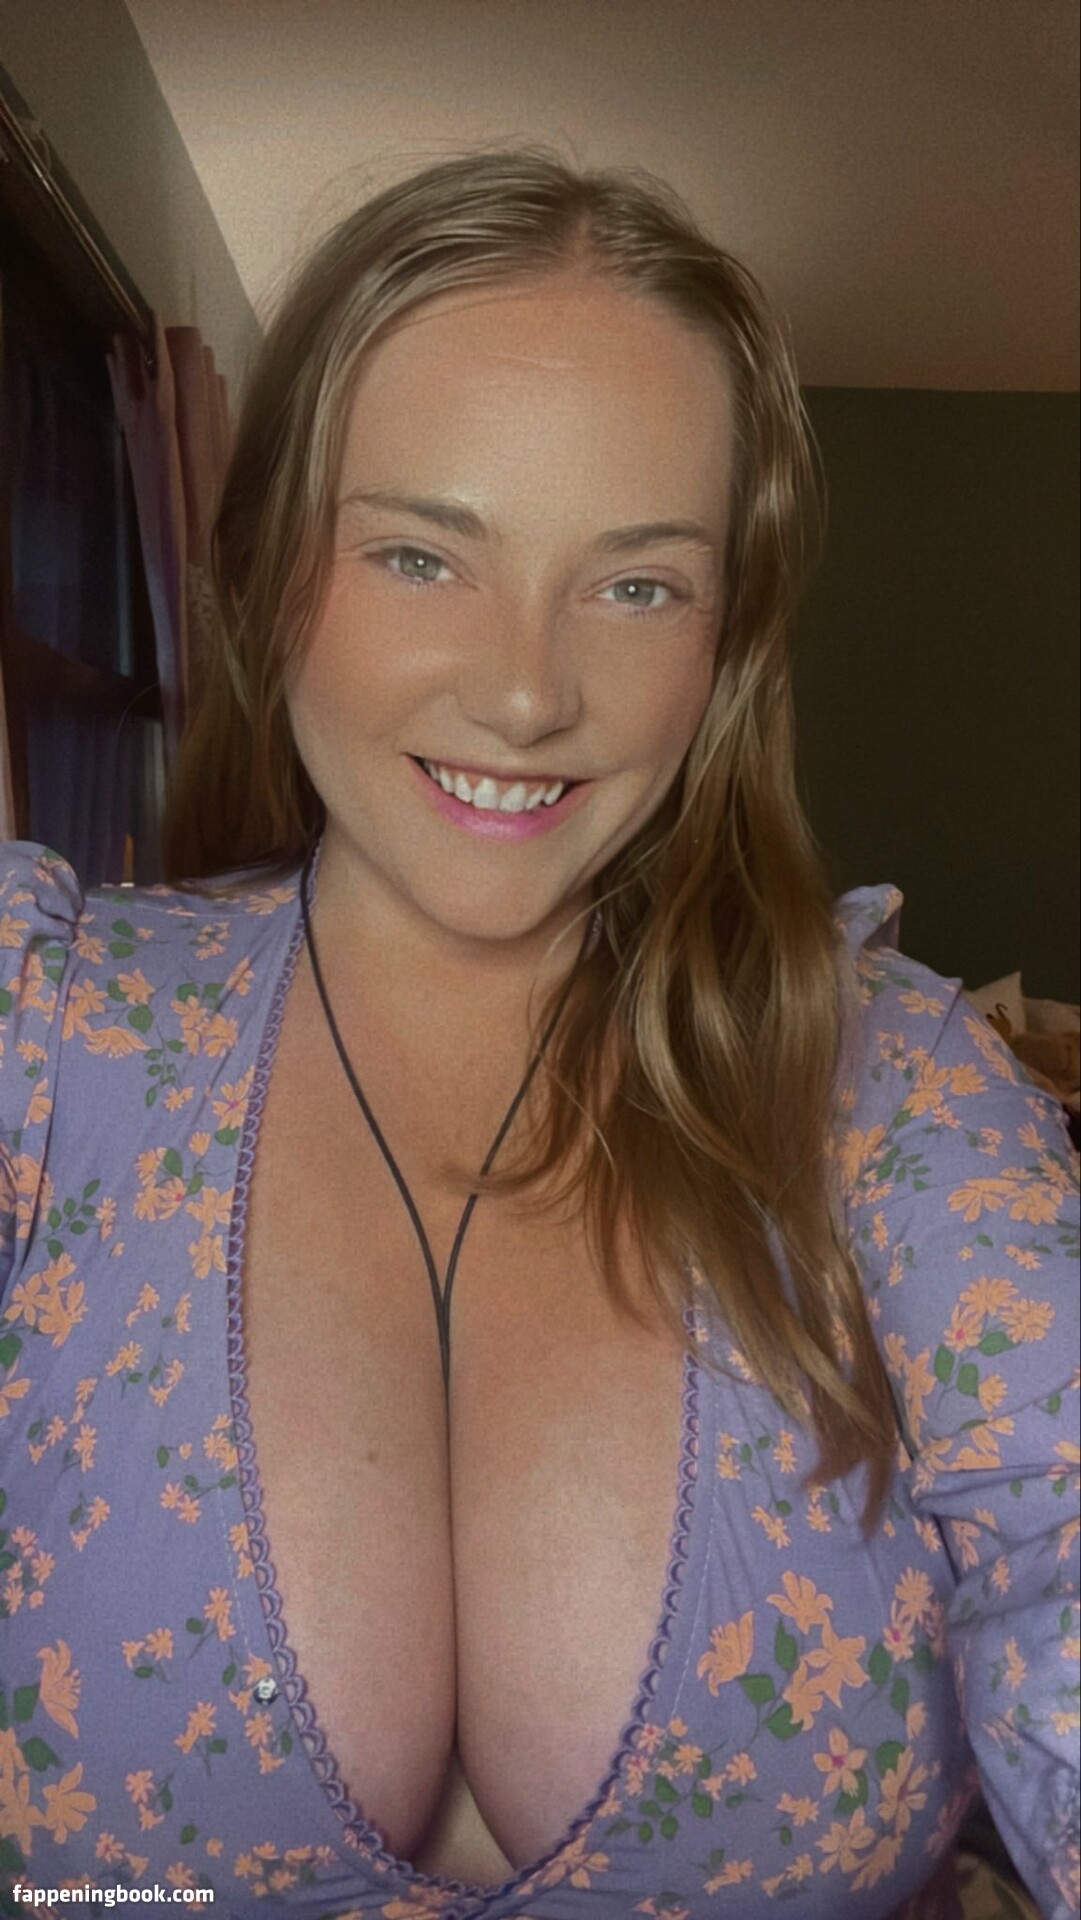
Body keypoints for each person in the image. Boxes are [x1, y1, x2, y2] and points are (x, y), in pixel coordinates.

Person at [0, 150, 1077, 1920]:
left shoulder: (885, 1088)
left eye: (635, 585)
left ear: (727, 639)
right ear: (267, 572)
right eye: (420, 554)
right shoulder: (42, 1043)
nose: (524, 693)